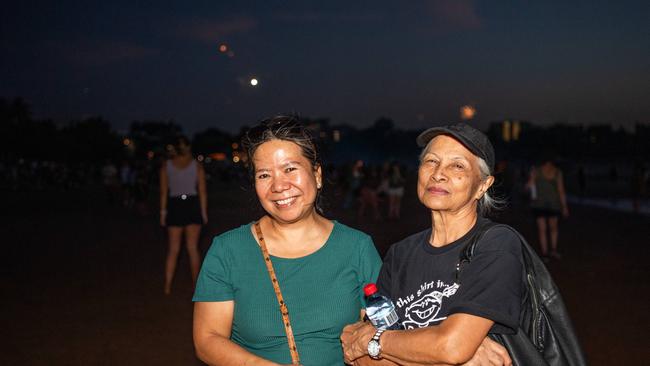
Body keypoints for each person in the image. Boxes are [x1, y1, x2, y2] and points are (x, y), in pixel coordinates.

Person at [192, 117, 510, 366]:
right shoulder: (228, 250)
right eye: (264, 175)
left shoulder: (356, 247)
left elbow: (390, 326)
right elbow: (208, 339)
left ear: (317, 175)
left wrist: (459, 349)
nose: (279, 185)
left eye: (290, 169)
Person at [341, 123, 521, 366]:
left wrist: (375, 341)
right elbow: (363, 360)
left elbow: (451, 346)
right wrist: (442, 356)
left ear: (482, 185)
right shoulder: (400, 254)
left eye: (457, 165)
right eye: (431, 161)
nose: (438, 173)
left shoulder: (496, 244)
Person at [159, 135, 208, 295]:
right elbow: (202, 191)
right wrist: (203, 212)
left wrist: (163, 212)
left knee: (173, 249)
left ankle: (167, 286)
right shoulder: (196, 166)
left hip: (175, 205)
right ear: (188, 147)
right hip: (192, 204)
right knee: (192, 248)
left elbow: (164, 192)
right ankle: (197, 286)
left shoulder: (167, 166)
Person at [526, 156, 569, 261]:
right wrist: (564, 207)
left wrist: (531, 178)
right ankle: (552, 251)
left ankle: (545, 253)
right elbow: (561, 191)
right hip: (552, 204)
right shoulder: (557, 172)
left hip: (540, 204)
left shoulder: (537, 171)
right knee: (553, 229)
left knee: (543, 230)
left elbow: (528, 187)